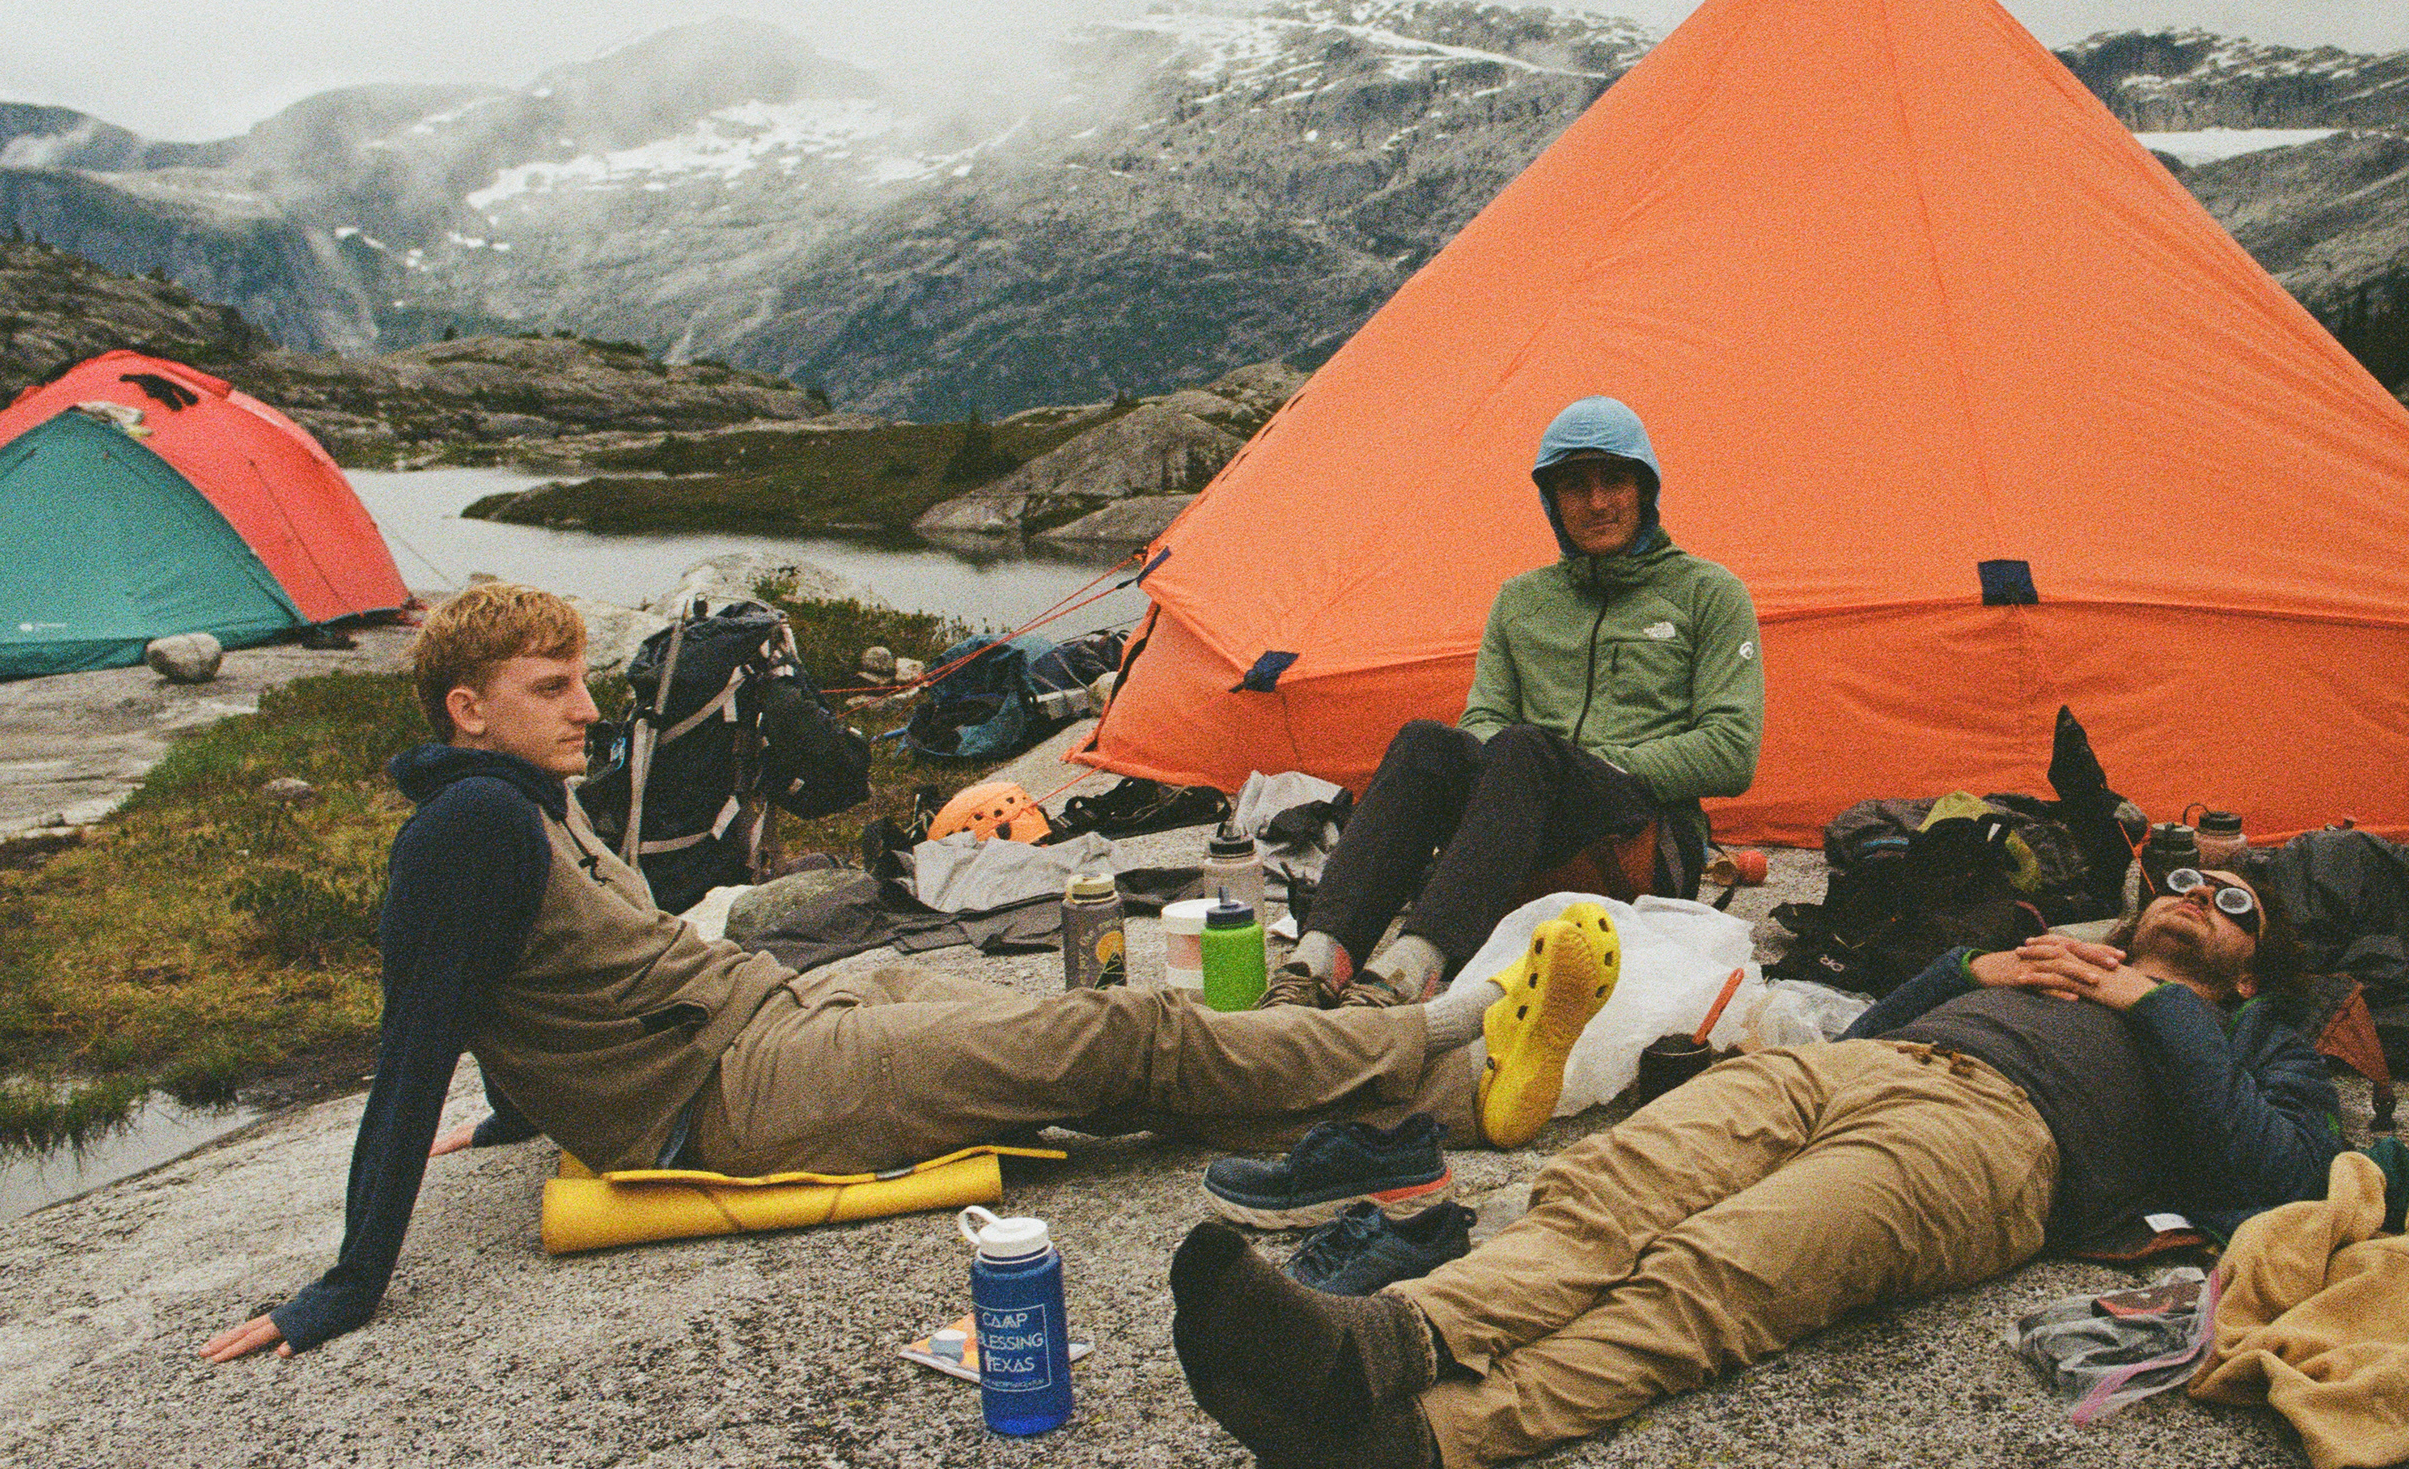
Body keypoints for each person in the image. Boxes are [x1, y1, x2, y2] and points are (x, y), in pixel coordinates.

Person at [196, 582, 1613, 1364]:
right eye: (549, 687)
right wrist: (346, 1282)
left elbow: (520, 992)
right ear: (467, 707)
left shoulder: (516, 798)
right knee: (1105, 1044)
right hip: (734, 1093)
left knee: (1080, 1024)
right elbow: (414, 1039)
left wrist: (520, 1103)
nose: (586, 704)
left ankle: (1354, 1078)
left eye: (579, 678)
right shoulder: (469, 826)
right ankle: (1418, 1033)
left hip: (775, 1016)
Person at [1170, 867, 2345, 1469]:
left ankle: (1399, 1437)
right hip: (1844, 1070)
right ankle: (1375, 1344)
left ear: (2252, 964)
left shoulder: (2250, 1038)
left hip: (1994, 1144)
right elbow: (1881, 1027)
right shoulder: (2053, 957)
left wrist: (2155, 1008)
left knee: (1715, 1271)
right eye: (2183, 878)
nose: (2198, 895)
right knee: (1610, 1189)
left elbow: (2275, 1171)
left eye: (2233, 901)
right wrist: (1963, 970)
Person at [1277, 396, 1760, 1007]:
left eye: (1615, 480)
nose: (1599, 502)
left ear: (1645, 489)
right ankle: (1318, 959)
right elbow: (1482, 717)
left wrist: (1580, 761)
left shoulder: (1708, 593)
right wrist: (1503, 767)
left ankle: (1413, 968)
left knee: (1526, 748)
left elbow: (1731, 751)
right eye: (1575, 486)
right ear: (1552, 502)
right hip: (1525, 821)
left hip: (1641, 840)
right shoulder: (1521, 601)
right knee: (1428, 741)